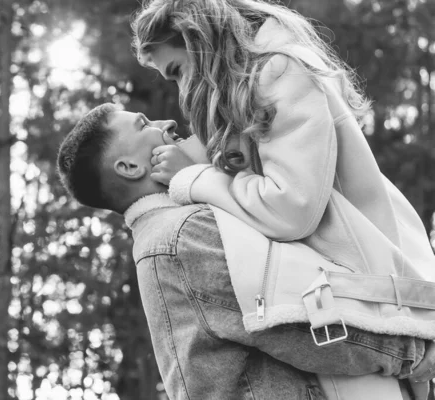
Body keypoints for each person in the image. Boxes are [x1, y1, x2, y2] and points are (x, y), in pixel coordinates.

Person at [56, 104, 435, 399]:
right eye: (144, 125)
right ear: (128, 166)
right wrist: (416, 353)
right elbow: (301, 323)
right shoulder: (182, 237)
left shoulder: (176, 233)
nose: (167, 124)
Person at [131, 0, 435, 363]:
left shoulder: (279, 71)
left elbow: (290, 208)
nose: (182, 90)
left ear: (197, 38)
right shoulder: (257, 84)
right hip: (361, 297)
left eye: (177, 70)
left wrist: (192, 177)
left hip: (377, 295)